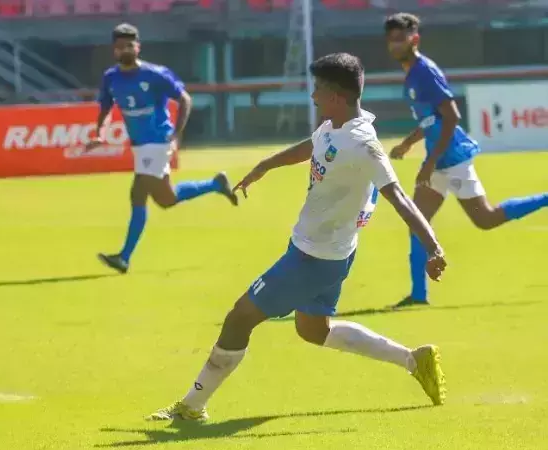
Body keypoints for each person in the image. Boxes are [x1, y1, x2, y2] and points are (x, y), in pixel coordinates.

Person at [149, 53, 447, 422]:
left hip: (314, 259)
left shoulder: (363, 145)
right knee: (313, 330)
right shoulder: (333, 126)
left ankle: (191, 406)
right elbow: (313, 145)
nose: (313, 96)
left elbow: (399, 197)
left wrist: (433, 248)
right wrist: (266, 165)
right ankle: (414, 360)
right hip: (322, 252)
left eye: (318, 89)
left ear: (336, 96)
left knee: (239, 318)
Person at [385, 13, 548, 307]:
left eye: (401, 38)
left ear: (415, 39)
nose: (395, 44)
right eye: (392, 39)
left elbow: (452, 117)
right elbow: (431, 119)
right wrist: (408, 143)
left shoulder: (425, 72)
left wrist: (430, 162)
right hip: (438, 159)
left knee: (485, 219)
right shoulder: (412, 75)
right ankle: (419, 296)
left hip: (451, 159)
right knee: (417, 221)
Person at [90, 23, 239, 274]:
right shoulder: (111, 78)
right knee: (166, 199)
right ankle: (215, 184)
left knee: (138, 192)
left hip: (158, 141)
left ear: (138, 47)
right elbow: (105, 106)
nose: (125, 50)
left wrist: (176, 133)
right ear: (114, 49)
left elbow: (184, 99)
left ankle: (124, 257)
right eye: (120, 46)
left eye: (129, 45)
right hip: (140, 146)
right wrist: (100, 133)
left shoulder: (155, 74)